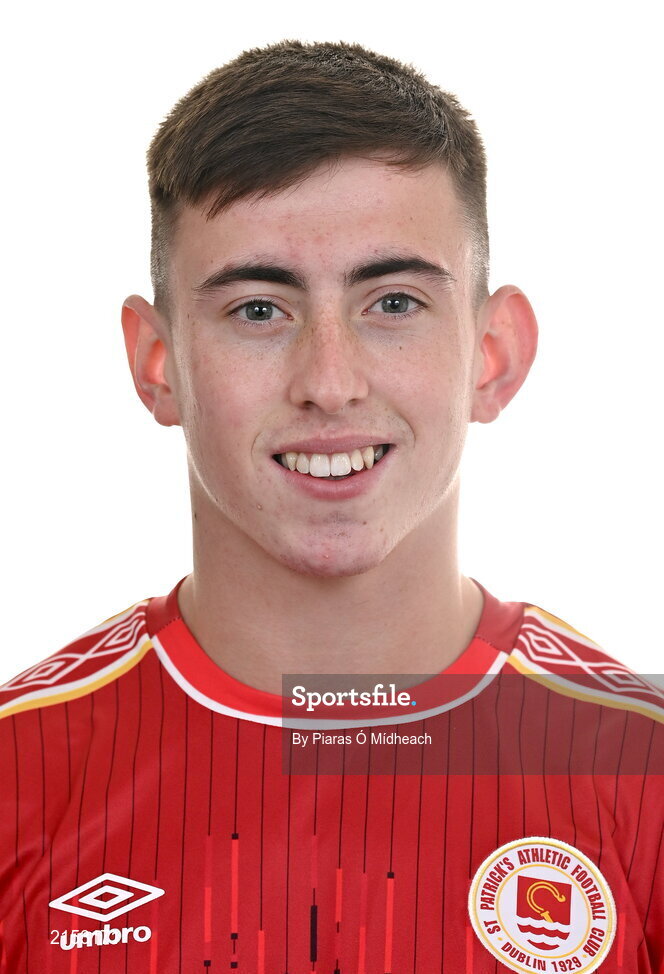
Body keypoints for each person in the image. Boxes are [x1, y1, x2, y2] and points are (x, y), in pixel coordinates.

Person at [0, 40, 661, 974]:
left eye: (393, 303)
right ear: (157, 364)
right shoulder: (17, 776)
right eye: (258, 310)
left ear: (494, 353)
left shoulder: (642, 768)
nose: (330, 381)